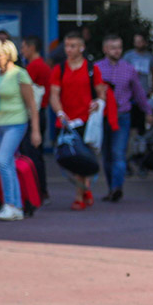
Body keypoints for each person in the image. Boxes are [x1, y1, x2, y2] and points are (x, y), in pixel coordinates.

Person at [0, 39, 40, 221]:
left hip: (16, 123)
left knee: (2, 161)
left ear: (8, 55)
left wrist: (35, 130)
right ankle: (15, 206)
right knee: (6, 163)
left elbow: (32, 104)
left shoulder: (20, 74)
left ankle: (11, 204)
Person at [50, 30, 106, 211]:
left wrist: (98, 103)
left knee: (81, 158)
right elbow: (54, 94)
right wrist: (59, 112)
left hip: (85, 121)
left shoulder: (92, 69)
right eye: (67, 45)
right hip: (65, 122)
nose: (69, 49)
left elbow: (101, 92)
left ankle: (79, 196)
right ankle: (85, 189)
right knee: (69, 159)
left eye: (73, 46)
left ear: (81, 48)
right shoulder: (59, 69)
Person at [96, 34, 153, 202]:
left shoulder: (129, 69)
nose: (117, 51)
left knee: (118, 153)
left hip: (122, 116)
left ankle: (117, 187)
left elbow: (139, 93)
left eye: (119, 47)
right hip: (103, 117)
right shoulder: (97, 68)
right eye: (113, 47)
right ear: (105, 49)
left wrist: (148, 111)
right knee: (106, 155)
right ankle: (111, 187)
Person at [20, 35, 51, 200]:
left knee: (31, 155)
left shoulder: (34, 67)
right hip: (41, 113)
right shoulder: (42, 66)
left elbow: (24, 93)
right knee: (35, 154)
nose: (22, 51)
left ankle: (38, 191)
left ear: (31, 48)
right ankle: (40, 191)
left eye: (23, 47)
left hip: (35, 115)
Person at [126, 32, 153, 99]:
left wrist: (152, 88)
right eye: (136, 42)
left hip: (145, 90)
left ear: (145, 42)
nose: (138, 44)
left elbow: (152, 73)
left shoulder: (149, 56)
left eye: (140, 42)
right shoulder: (128, 56)